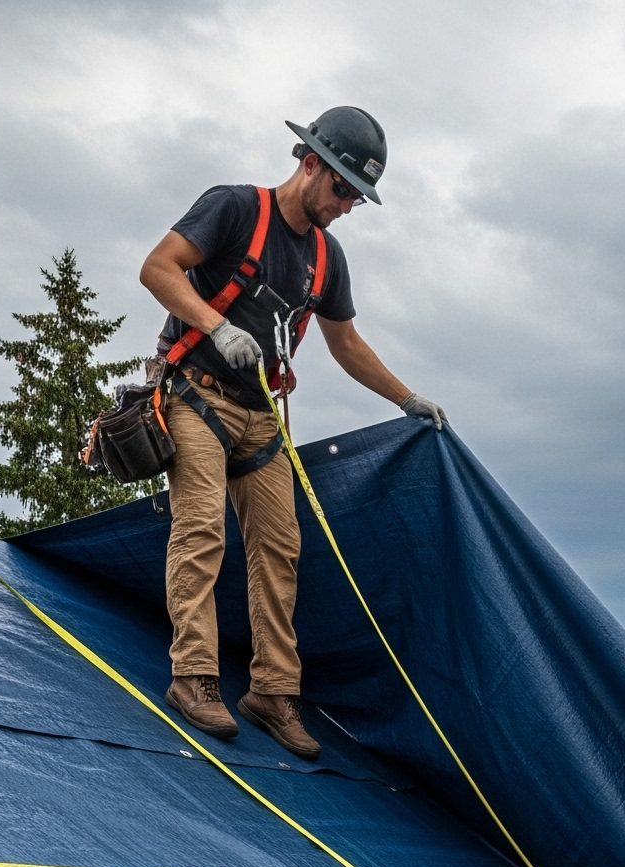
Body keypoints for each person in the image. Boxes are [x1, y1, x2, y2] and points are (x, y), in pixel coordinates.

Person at [139, 106, 445, 759]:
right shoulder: (233, 209)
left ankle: (272, 693)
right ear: (310, 163)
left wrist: (407, 399)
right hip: (195, 393)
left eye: (357, 197)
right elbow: (158, 269)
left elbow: (346, 343)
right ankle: (193, 677)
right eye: (342, 189)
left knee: (280, 547)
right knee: (201, 531)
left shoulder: (326, 258)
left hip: (259, 416)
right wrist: (217, 327)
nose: (347, 205)